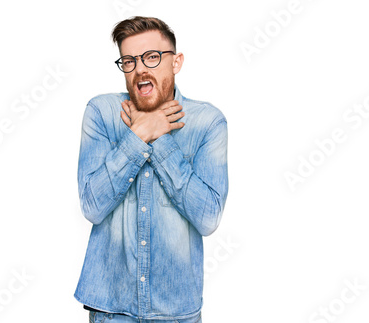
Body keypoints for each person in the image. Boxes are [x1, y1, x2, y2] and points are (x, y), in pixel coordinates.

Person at [74, 16, 229, 323]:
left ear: (176, 62)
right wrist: (137, 136)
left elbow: (208, 218)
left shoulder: (208, 122)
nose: (140, 69)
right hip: (110, 309)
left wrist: (158, 137)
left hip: (176, 311)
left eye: (152, 57)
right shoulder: (102, 113)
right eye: (129, 61)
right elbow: (92, 206)